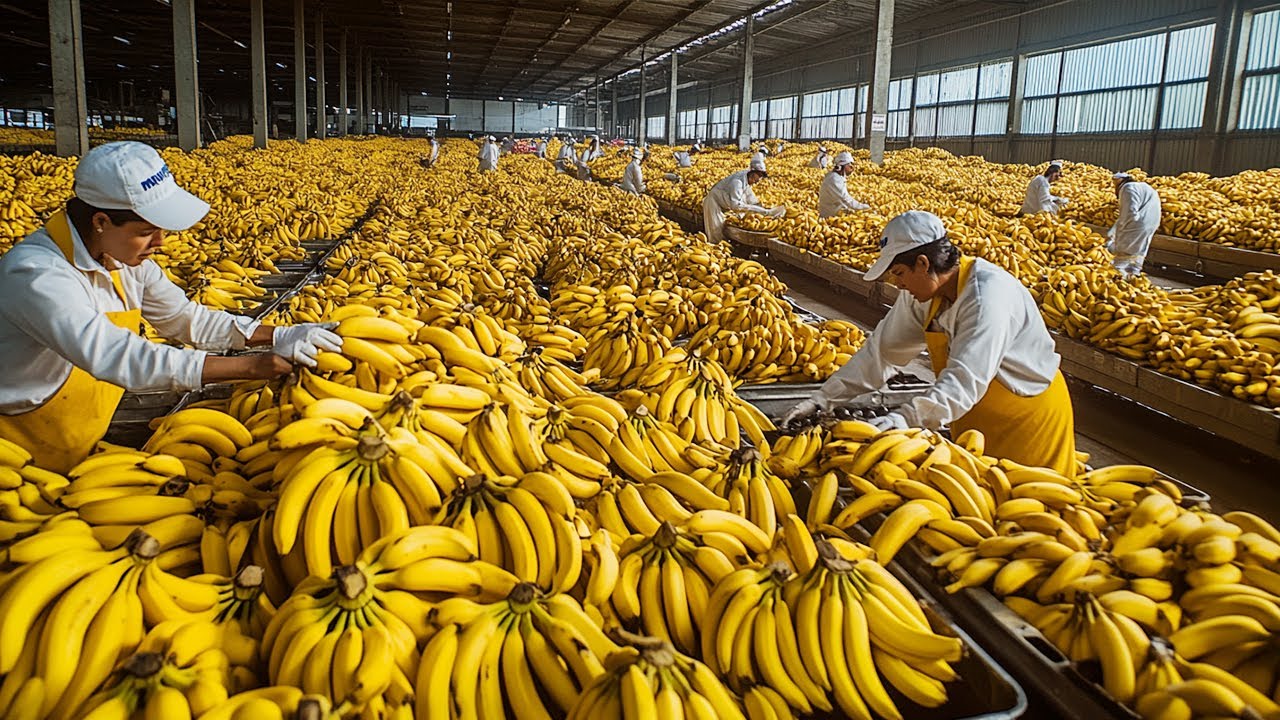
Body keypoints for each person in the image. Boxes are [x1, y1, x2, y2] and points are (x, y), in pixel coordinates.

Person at [0, 142, 342, 472]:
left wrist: (277, 334)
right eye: (147, 231)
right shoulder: (35, 275)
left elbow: (184, 319)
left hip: (75, 443)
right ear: (101, 221)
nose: (160, 242)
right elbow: (119, 356)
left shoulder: (124, 261)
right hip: (17, 456)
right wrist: (251, 368)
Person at [781, 210, 1077, 476]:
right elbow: (881, 353)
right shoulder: (922, 296)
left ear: (923, 263)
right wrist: (822, 399)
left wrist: (905, 418)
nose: (897, 284)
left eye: (898, 273)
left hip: (1027, 421)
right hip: (969, 417)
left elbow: (964, 380)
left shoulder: (987, 297)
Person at [701, 156, 785, 244]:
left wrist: (762, 207)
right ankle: (717, 250)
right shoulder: (737, 182)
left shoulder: (746, 178)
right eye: (759, 175)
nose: (759, 180)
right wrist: (764, 212)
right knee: (716, 230)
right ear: (753, 172)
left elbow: (749, 196)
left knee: (723, 227)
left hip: (724, 204)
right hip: (714, 202)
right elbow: (736, 205)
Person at [1107, 172, 1161, 277]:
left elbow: (1129, 213)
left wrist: (1118, 232)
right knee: (1139, 250)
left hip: (1138, 224)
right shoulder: (1142, 186)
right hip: (1151, 222)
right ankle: (1134, 274)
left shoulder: (1127, 188)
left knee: (1126, 251)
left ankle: (1119, 276)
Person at [818, 151, 870, 218]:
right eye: (849, 165)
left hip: (837, 211)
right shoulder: (834, 179)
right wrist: (864, 207)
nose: (852, 168)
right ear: (841, 166)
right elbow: (846, 199)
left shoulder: (836, 176)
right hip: (831, 216)